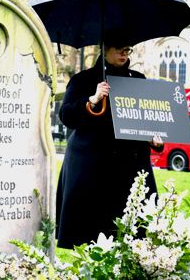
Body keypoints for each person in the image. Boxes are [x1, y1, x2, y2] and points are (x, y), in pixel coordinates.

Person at [55, 33, 164, 249]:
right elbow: (66, 115)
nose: (125, 54)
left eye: (128, 49)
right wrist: (93, 99)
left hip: (130, 167)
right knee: (93, 235)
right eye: (119, 49)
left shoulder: (138, 80)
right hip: (94, 167)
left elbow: (146, 121)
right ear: (105, 49)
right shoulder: (83, 80)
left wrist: (155, 141)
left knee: (133, 235)